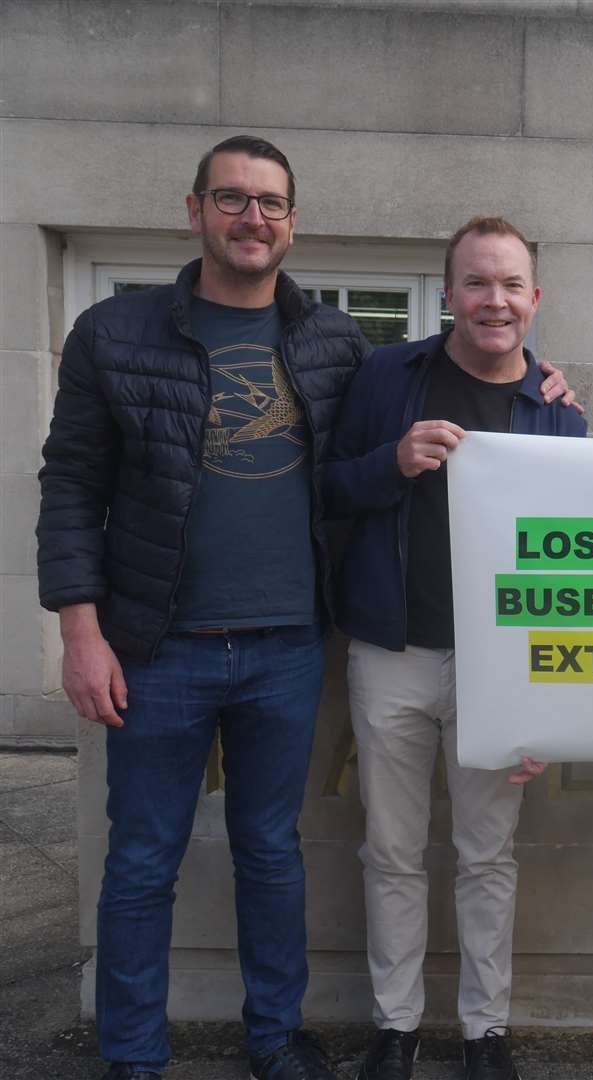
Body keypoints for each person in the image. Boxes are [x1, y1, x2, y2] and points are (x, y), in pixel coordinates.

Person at [34, 135, 362, 1080]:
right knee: (141, 860)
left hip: (289, 646)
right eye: (232, 199)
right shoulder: (116, 333)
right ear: (195, 211)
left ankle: (276, 1039)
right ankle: (134, 1054)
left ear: (293, 221)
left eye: (270, 202)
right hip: (156, 646)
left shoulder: (333, 340)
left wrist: (540, 385)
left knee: (271, 850)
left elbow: (438, 384)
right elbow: (71, 484)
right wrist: (80, 629)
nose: (252, 217)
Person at [324, 216, 586, 1080]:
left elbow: (572, 569)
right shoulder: (387, 375)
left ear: (535, 300)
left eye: (511, 285)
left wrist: (547, 703)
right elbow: (327, 491)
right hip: (391, 651)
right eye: (478, 283)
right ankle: (394, 1028)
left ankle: (486, 1033)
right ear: (449, 295)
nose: (495, 300)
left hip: (500, 668)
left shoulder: (555, 412)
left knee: (487, 855)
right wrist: (392, 462)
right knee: (391, 851)